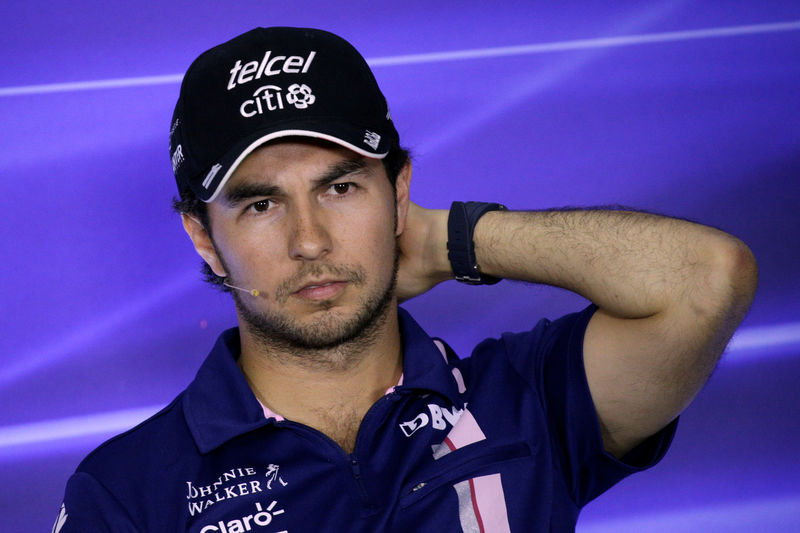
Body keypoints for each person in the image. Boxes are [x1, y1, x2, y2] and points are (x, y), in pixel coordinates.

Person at [55, 26, 758, 532]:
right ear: (204, 237)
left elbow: (707, 279)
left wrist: (449, 240)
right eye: (261, 203)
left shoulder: (522, 399)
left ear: (398, 195)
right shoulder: (126, 493)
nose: (309, 240)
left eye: (340, 188)